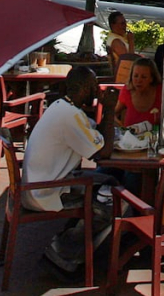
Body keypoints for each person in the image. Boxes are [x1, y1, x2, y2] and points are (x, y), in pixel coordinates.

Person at [21, 67, 117, 274]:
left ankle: (73, 240)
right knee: (114, 200)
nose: (97, 90)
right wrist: (109, 109)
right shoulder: (70, 116)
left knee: (110, 182)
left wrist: (103, 108)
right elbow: (103, 153)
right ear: (84, 88)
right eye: (94, 86)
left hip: (40, 185)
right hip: (45, 191)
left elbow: (96, 136)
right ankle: (63, 254)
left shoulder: (62, 107)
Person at [114, 57, 164, 130]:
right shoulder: (127, 90)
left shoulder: (161, 91)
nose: (139, 80)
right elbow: (114, 113)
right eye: (135, 76)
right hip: (130, 138)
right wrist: (119, 126)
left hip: (154, 138)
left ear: (151, 78)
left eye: (144, 77)